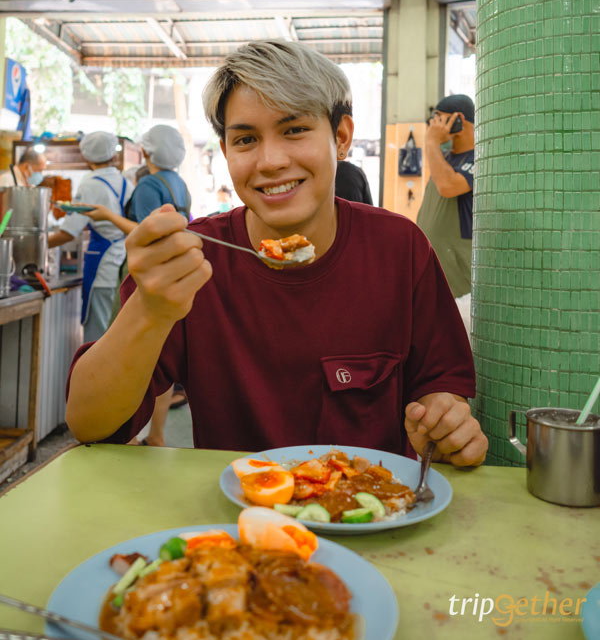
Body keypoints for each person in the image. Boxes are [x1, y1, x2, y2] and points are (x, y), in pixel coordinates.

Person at [66, 42, 487, 467]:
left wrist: (442, 424)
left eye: (295, 130)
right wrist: (150, 310)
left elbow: (439, 385)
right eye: (246, 139)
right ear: (226, 151)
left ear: (341, 138)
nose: (269, 161)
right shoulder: (192, 263)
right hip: (235, 506)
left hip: (374, 501)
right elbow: (90, 424)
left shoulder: (399, 248)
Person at [81, 124, 191, 445]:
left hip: (145, 273)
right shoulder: (179, 184)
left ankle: (123, 433)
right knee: (161, 357)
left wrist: (107, 215)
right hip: (173, 269)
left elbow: (144, 232)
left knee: (126, 354)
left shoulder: (148, 185)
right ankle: (156, 434)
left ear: (145, 151)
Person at [48, 132, 132, 344]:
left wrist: (39, 243)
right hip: (122, 263)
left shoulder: (90, 184)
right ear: (113, 154)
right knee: (114, 333)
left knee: (97, 337)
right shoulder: (125, 182)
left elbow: (69, 232)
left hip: (102, 268)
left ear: (86, 156)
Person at [416, 94, 475, 332]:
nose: (433, 126)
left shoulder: (479, 158)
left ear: (458, 119)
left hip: (462, 288)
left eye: (438, 119)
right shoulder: (445, 159)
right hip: (436, 278)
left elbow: (448, 186)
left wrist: (431, 142)